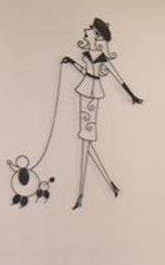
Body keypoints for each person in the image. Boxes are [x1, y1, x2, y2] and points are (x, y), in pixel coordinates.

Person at [61, 18, 143, 210]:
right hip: (85, 91)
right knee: (86, 141)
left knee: (86, 140)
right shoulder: (87, 54)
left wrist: (131, 95)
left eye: (91, 29)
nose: (87, 30)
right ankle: (107, 184)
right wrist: (72, 62)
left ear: (97, 35)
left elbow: (117, 77)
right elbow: (86, 71)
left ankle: (82, 193)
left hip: (92, 94)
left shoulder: (101, 57)